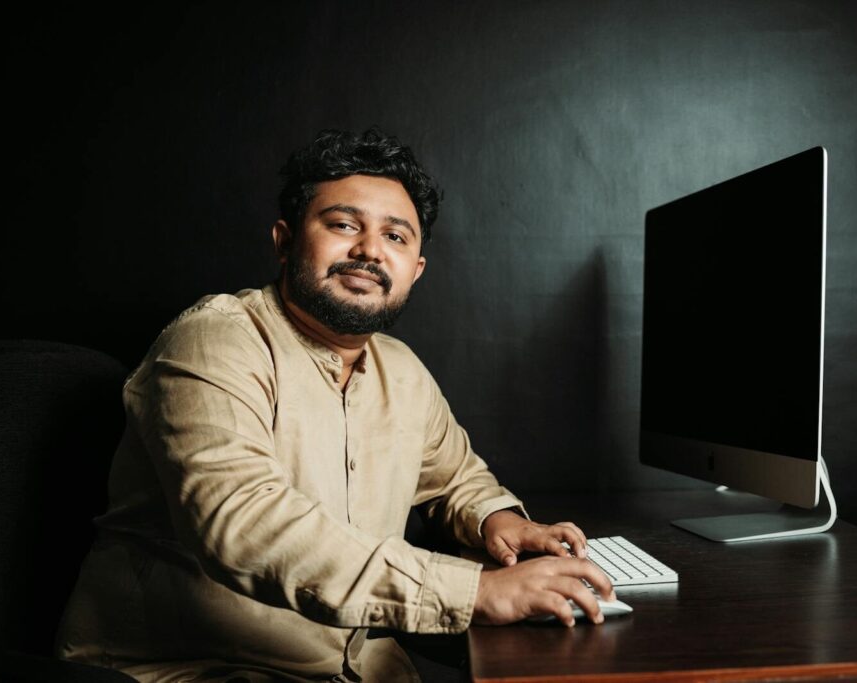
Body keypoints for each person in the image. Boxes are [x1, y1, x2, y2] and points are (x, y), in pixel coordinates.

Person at [56, 128, 614, 682]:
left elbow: (452, 477)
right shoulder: (213, 341)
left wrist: (496, 517)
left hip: (357, 670)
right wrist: (474, 592)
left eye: (396, 237)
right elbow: (245, 525)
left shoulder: (401, 369)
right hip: (191, 670)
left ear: (414, 271)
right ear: (285, 241)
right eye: (344, 225)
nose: (370, 250)